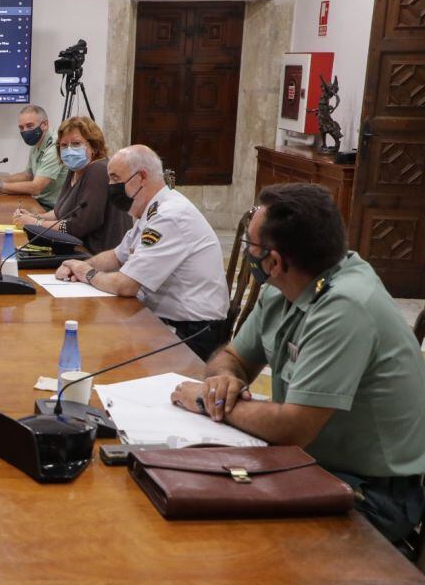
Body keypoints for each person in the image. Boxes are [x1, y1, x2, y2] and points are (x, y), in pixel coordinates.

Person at [170, 183, 425, 551]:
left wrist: (211, 403)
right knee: (190, 487)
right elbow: (233, 357)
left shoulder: (344, 307)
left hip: (372, 493)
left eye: (252, 249)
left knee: (223, 535)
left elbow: (294, 428)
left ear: (274, 261)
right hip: (309, 463)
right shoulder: (285, 286)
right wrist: (222, 381)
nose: (248, 255)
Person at [55, 145, 228, 360]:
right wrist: (81, 265)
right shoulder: (152, 209)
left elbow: (126, 285)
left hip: (191, 334)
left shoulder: (169, 216)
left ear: (142, 177)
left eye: (115, 178)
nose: (110, 186)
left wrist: (86, 273)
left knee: (100, 356)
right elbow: (117, 255)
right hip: (163, 320)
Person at [13, 116, 131, 255]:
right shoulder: (74, 170)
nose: (69, 150)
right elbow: (60, 213)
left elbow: (79, 226)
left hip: (99, 257)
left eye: (76, 144)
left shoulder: (98, 170)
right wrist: (36, 216)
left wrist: (35, 223)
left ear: (93, 146)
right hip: (78, 249)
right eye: (64, 145)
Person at [0, 104, 68, 210]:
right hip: (37, 202)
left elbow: (35, 187)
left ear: (45, 124)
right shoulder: (38, 142)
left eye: (30, 126)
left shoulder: (54, 147)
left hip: (52, 209)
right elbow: (28, 175)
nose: (25, 131)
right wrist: (1, 180)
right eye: (21, 127)